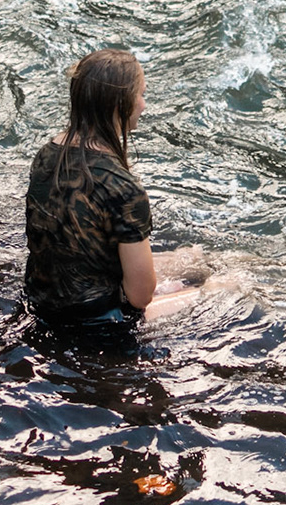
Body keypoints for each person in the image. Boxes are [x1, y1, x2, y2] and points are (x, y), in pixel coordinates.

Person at [24, 48, 203, 325]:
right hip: (97, 320)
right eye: (141, 95)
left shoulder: (46, 155)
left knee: (194, 259)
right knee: (229, 286)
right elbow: (140, 298)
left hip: (42, 302)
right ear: (120, 105)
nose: (144, 105)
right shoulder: (123, 187)